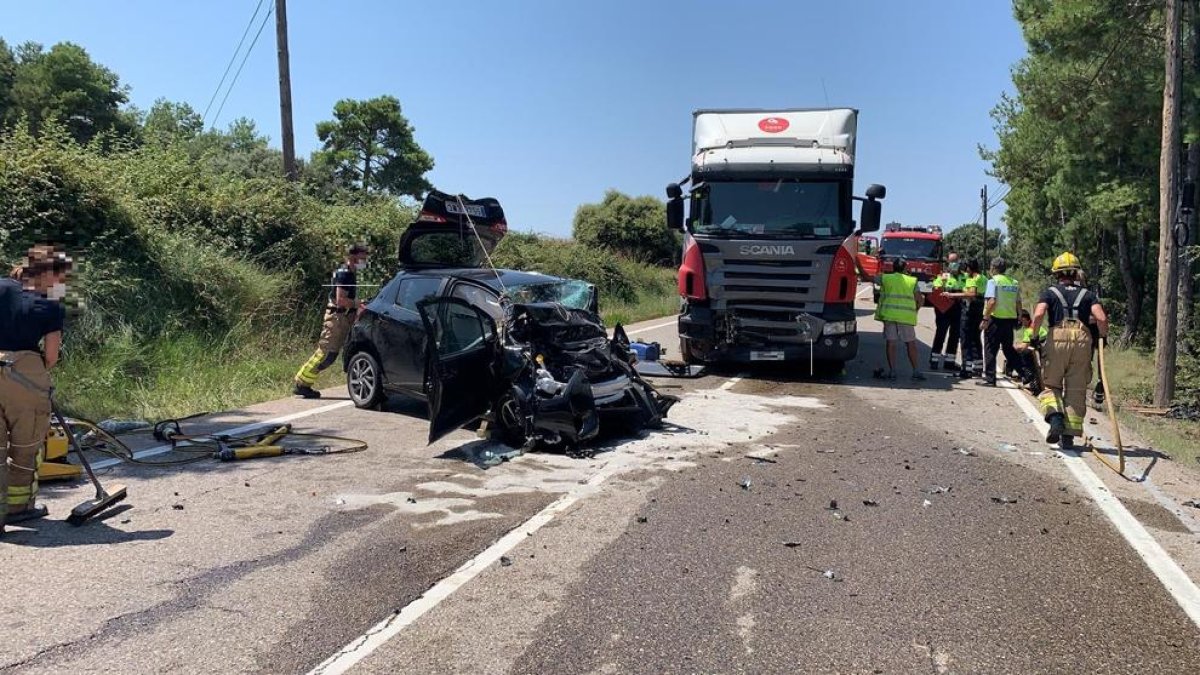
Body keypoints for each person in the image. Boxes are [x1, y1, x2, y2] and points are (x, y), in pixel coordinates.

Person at [1, 245, 72, 533]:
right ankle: (18, 508)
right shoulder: (49, 302)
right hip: (24, 374)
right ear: (48, 275)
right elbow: (52, 356)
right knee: (25, 447)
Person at [1030, 252, 1109, 449]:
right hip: (1083, 341)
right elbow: (1102, 319)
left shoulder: (1049, 292)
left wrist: (1033, 336)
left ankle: (1055, 417)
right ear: (1076, 273)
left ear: (1057, 274)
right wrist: (1102, 337)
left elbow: (1039, 313)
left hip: (1057, 338)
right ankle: (1068, 436)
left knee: (1051, 384)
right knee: (1076, 389)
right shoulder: (1089, 295)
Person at [294, 244, 370, 399]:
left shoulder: (350, 273)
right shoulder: (344, 273)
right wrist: (358, 303)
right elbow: (340, 300)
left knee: (331, 355)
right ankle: (301, 383)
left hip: (344, 317)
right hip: (337, 318)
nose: (364, 260)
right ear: (352, 257)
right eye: (362, 257)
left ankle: (304, 383)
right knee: (326, 353)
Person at [874, 256, 926, 381]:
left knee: (891, 344)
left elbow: (866, 277)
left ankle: (892, 371)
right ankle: (916, 371)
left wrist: (858, 264)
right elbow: (920, 300)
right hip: (906, 318)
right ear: (905, 268)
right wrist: (915, 310)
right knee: (911, 344)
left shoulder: (885, 278)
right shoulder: (912, 281)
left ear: (893, 267)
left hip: (889, 316)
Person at [979, 257, 1022, 387]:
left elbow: (992, 301)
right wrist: (1019, 316)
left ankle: (990, 379)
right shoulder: (1014, 282)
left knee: (991, 348)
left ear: (993, 268)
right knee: (1008, 349)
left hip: (995, 319)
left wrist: (985, 318)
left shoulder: (993, 282)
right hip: (1009, 320)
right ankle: (1025, 372)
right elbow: (1018, 302)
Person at [945, 259, 986, 379]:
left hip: (969, 311)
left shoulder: (972, 279)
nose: (965, 270)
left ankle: (966, 370)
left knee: (965, 340)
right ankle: (978, 368)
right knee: (975, 339)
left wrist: (952, 295)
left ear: (970, 268)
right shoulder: (983, 278)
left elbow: (971, 294)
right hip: (980, 309)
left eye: (966, 267)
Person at [929, 252, 964, 371]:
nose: (954, 264)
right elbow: (935, 290)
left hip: (957, 308)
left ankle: (949, 362)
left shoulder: (963, 277)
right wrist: (943, 282)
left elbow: (967, 291)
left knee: (954, 336)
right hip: (943, 310)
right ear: (948, 263)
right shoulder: (942, 276)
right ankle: (934, 360)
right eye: (951, 262)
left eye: (956, 261)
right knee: (941, 334)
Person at [1010, 309, 1046, 388]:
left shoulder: (1029, 329)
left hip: (1041, 348)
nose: (1019, 322)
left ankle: (1027, 374)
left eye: (1019, 320)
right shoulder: (1034, 325)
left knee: (1020, 352)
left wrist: (1013, 347)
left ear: (1024, 319)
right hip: (1043, 346)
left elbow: (1024, 346)